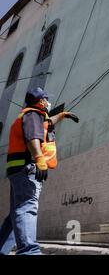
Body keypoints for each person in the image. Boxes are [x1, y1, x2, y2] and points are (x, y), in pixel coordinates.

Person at [0, 87, 78, 255]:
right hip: (28, 168)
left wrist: (62, 115)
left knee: (16, 212)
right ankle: (29, 251)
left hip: (18, 169)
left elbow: (45, 125)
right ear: (40, 101)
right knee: (27, 208)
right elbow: (33, 137)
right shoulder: (33, 115)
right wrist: (39, 159)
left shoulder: (30, 116)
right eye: (46, 99)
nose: (48, 102)